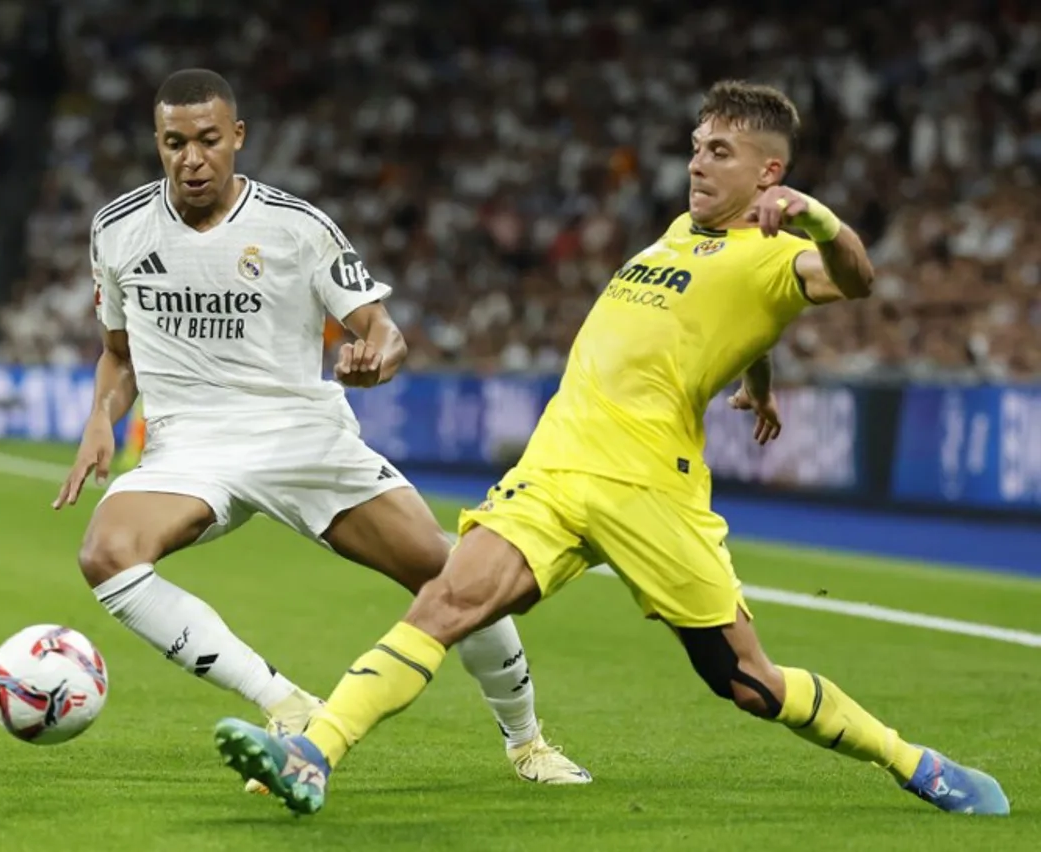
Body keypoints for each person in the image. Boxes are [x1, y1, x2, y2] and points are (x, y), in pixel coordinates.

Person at [214, 79, 1011, 818]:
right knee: (447, 601)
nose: (696, 161)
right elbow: (726, 318)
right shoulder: (679, 232)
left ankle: (916, 763)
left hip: (649, 490)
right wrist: (758, 379)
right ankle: (312, 753)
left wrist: (821, 220)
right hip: (557, 467)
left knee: (746, 683)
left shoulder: (782, 252)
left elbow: (856, 279)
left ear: (769, 175)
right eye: (697, 145)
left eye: (719, 152)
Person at [52, 68, 590, 789]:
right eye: (174, 143)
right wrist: (100, 420)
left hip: (300, 436)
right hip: (191, 446)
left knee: (454, 573)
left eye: (208, 140)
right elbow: (119, 353)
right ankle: (286, 705)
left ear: (237, 137)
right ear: (157, 142)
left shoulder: (295, 227)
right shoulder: (117, 230)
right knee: (107, 553)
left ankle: (527, 743)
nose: (192, 158)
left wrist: (375, 356)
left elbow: (383, 328)